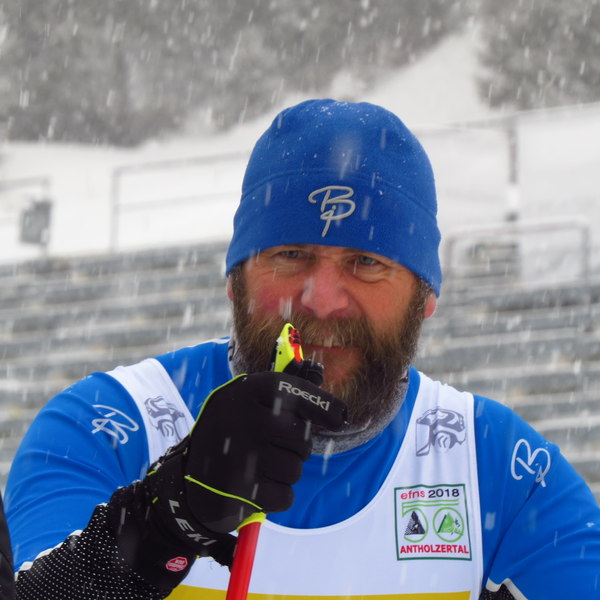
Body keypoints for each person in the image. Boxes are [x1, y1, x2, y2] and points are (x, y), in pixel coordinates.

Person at [4, 99, 600, 600]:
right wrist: (165, 519)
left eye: (366, 261)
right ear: (235, 279)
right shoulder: (106, 429)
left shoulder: (502, 471)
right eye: (290, 255)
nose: (321, 301)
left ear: (424, 297)